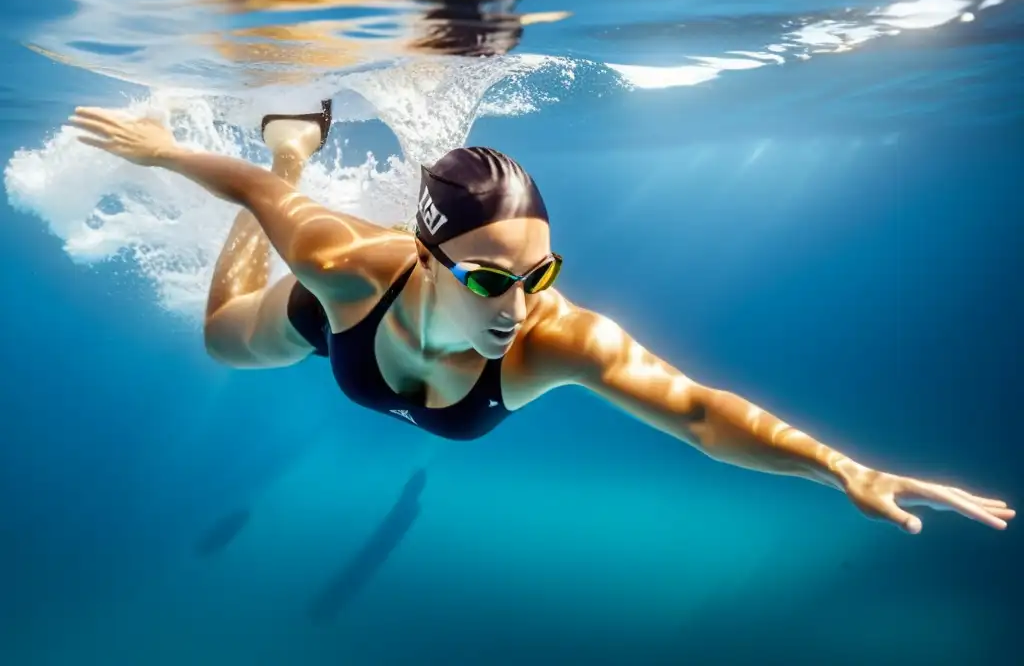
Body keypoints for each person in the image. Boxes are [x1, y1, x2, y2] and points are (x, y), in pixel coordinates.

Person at [66, 103, 1015, 536]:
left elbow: (696, 412)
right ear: (429, 257)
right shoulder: (344, 268)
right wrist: (162, 150)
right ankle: (295, 151)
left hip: (386, 328)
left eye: (540, 274)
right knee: (221, 337)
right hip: (342, 327)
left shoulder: (559, 340)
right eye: (487, 280)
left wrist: (841, 467)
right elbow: (229, 183)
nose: (519, 310)